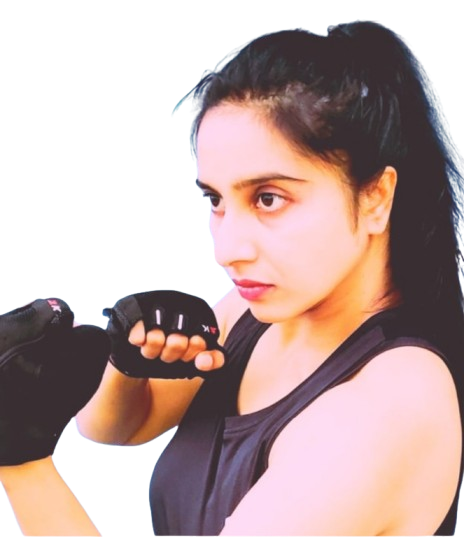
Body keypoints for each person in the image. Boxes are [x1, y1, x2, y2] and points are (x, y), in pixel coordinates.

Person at [1, 19, 462, 537]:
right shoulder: (254, 314)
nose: (226, 251)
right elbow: (114, 428)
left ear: (375, 197)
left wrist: (21, 459)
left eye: (268, 199)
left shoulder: (387, 407)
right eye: (216, 200)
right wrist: (127, 363)